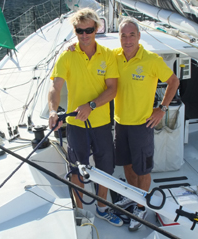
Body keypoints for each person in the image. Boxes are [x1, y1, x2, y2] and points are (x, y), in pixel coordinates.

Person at [48, 8, 122, 227]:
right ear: (75, 31)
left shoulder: (108, 55)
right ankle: (79, 213)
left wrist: (91, 105)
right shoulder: (67, 55)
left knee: (105, 168)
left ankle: (101, 208)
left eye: (89, 30)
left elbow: (112, 90)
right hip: (75, 125)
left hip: (101, 124)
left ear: (96, 29)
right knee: (76, 169)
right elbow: (55, 86)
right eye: (80, 30)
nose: (84, 34)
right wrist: (53, 110)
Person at [113, 18, 180, 232]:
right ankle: (134, 197)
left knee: (143, 169)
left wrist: (162, 108)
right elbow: (92, 52)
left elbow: (174, 82)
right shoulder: (114, 57)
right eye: (123, 35)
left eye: (132, 34)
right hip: (120, 123)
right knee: (127, 165)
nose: (127, 39)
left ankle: (141, 207)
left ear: (139, 37)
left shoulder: (151, 60)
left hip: (142, 125)